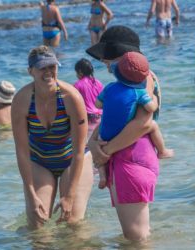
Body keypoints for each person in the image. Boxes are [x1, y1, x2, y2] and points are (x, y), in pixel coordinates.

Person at [86, 25, 166, 241]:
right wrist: (94, 144)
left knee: (136, 236)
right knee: (136, 234)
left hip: (131, 156)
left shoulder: (143, 77)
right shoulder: (130, 79)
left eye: (108, 56)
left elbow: (143, 123)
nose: (104, 62)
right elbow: (114, 118)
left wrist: (107, 149)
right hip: (127, 155)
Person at [11, 45, 93, 229]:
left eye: (52, 67)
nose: (48, 72)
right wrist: (31, 193)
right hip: (40, 161)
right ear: (30, 71)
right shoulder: (22, 100)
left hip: (72, 160)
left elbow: (79, 151)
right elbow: (22, 152)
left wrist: (69, 196)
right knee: (37, 226)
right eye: (42, 67)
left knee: (72, 225)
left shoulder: (71, 97)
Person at [94, 51, 174, 189]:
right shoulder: (139, 92)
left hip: (105, 135)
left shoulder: (109, 87)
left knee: (99, 150)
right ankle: (162, 151)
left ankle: (102, 176)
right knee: (153, 125)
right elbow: (151, 108)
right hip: (122, 135)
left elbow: (98, 105)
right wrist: (154, 97)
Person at [73, 58, 103, 138]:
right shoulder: (98, 83)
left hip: (88, 118)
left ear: (80, 71)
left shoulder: (77, 85)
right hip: (101, 117)